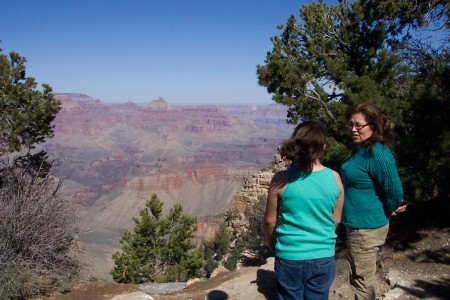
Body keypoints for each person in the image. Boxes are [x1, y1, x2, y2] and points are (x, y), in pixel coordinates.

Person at [264, 122, 344, 300]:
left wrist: (271, 244)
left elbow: (270, 221)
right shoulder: (334, 177)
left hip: (290, 255)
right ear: (323, 146)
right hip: (324, 255)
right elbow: (336, 219)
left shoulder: (281, 179)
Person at [340, 102, 404, 300]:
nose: (353, 129)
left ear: (374, 126)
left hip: (365, 228)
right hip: (357, 225)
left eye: (359, 125)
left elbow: (394, 189)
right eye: (350, 124)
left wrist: (389, 208)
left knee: (361, 282)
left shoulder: (377, 153)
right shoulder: (360, 148)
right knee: (359, 278)